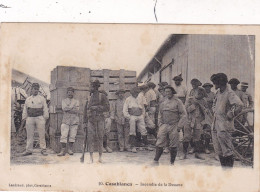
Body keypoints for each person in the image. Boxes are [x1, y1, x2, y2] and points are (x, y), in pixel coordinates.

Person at [211, 73, 243, 168]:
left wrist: (231, 113)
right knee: (219, 150)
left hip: (225, 126)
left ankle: (228, 173)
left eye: (215, 82)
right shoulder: (218, 92)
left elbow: (239, 105)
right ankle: (224, 171)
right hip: (216, 124)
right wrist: (215, 110)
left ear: (220, 82)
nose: (214, 84)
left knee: (227, 151)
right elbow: (214, 104)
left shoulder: (229, 93)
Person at [152, 85, 187, 165]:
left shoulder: (178, 102)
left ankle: (172, 162)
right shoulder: (163, 102)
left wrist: (179, 126)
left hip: (174, 125)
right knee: (160, 141)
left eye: (169, 91)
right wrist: (160, 124)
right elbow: (160, 114)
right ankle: (155, 160)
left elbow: (184, 114)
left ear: (172, 92)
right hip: (164, 125)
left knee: (173, 144)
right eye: (166, 91)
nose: (167, 93)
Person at [84, 80, 110, 163]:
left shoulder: (102, 96)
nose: (89, 88)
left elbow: (107, 107)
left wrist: (96, 108)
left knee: (100, 137)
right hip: (90, 120)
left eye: (90, 86)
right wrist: (84, 122)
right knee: (90, 138)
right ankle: (91, 157)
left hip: (100, 119)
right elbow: (85, 110)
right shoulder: (89, 97)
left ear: (95, 87)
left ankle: (100, 157)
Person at [21, 83, 49, 156]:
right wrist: (24, 117)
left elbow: (45, 108)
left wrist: (45, 117)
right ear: (32, 89)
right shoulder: (28, 99)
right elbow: (25, 109)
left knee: (41, 134)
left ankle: (43, 149)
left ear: (38, 90)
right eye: (34, 89)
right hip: (30, 118)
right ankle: (29, 150)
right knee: (29, 134)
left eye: (37, 89)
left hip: (39, 117)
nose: (36, 90)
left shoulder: (42, 98)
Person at [182, 87, 209, 160]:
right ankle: (184, 154)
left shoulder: (203, 101)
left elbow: (206, 111)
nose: (200, 95)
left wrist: (204, 109)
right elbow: (186, 110)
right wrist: (194, 105)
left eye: (202, 94)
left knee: (197, 138)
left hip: (199, 121)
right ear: (195, 93)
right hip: (189, 120)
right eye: (199, 93)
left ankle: (197, 154)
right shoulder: (189, 99)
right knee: (186, 137)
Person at [123, 87, 148, 153]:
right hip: (132, 116)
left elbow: (143, 108)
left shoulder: (140, 98)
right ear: (132, 93)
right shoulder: (128, 99)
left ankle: (145, 145)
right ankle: (133, 147)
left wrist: (142, 115)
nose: (136, 94)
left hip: (140, 116)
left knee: (143, 130)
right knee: (132, 131)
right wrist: (129, 117)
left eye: (137, 93)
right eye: (135, 93)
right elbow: (125, 110)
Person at [57, 87, 80, 156]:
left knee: (72, 135)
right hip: (66, 120)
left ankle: (70, 149)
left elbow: (76, 110)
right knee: (64, 135)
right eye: (68, 92)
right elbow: (64, 108)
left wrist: (68, 108)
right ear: (67, 93)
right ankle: (63, 150)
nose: (70, 93)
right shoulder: (64, 100)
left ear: (73, 93)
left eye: (71, 92)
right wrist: (72, 108)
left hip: (74, 120)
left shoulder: (76, 101)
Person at [186, 78, 202, 154]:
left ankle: (198, 148)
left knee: (198, 133)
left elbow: (203, 104)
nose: (193, 86)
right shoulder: (191, 92)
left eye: (195, 84)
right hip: (192, 115)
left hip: (199, 116)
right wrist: (192, 107)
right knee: (191, 133)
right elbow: (188, 103)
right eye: (192, 84)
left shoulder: (201, 91)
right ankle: (192, 147)